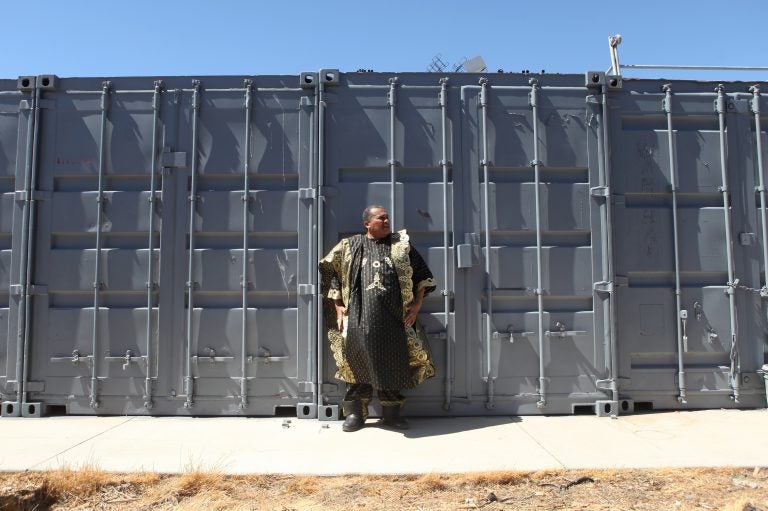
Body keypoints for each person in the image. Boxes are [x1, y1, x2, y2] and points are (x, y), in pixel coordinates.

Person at [319, 205, 437, 432]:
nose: (386, 221)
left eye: (387, 218)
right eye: (381, 218)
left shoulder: (400, 245)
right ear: (367, 224)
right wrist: (338, 306)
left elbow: (422, 275)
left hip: (393, 321)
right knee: (356, 364)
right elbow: (332, 273)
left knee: (392, 366)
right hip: (358, 320)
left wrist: (416, 305)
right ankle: (356, 415)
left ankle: (391, 416)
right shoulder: (350, 246)